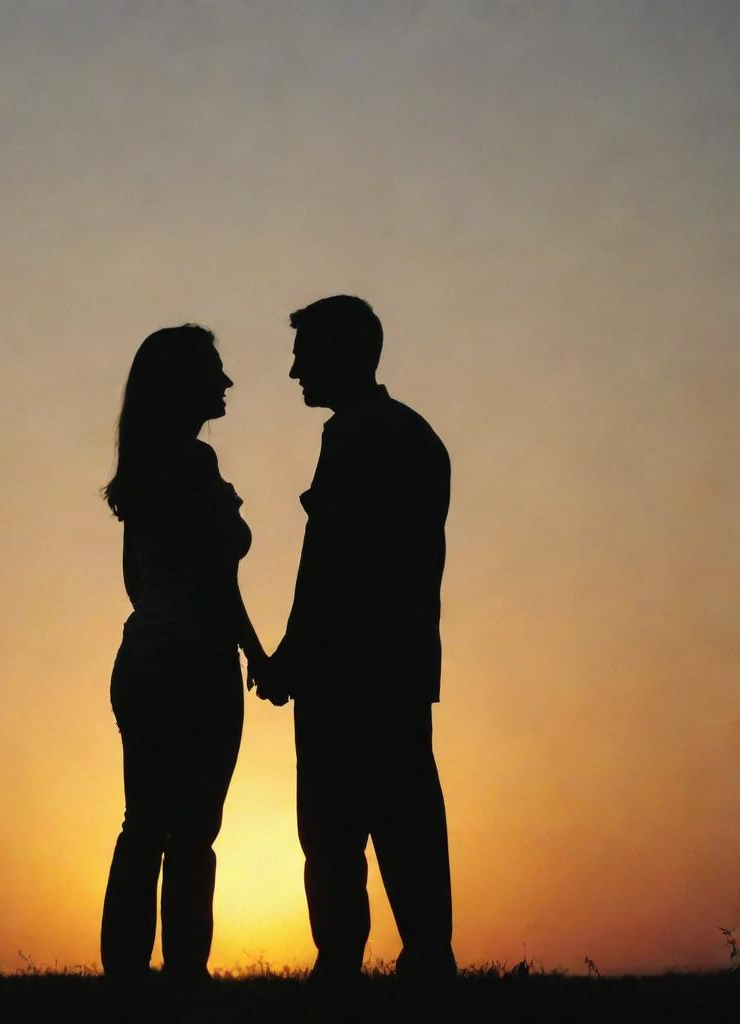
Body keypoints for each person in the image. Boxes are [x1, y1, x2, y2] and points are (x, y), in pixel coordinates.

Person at [255, 295, 456, 1001]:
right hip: (398, 667)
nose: (293, 372)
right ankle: (428, 961)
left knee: (337, 828)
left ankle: (342, 966)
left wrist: (290, 654)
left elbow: (332, 563)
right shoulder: (412, 434)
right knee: (406, 821)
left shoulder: (356, 438)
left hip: (349, 672)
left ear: (344, 353)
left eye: (304, 355)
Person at [100, 324, 266, 986]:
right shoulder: (195, 466)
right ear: (182, 385)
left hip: (143, 650)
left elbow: (137, 581)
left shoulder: (141, 470)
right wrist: (257, 652)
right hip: (195, 658)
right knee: (193, 833)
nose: (227, 384)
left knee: (142, 822)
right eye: (214, 372)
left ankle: (125, 980)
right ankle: (184, 981)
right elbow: (217, 581)